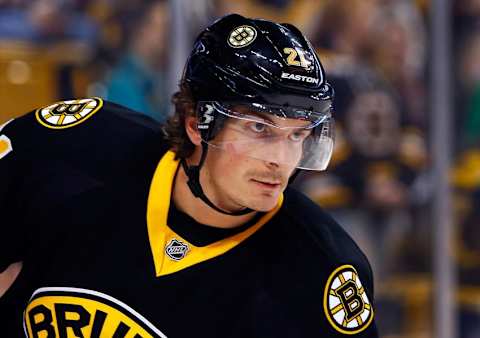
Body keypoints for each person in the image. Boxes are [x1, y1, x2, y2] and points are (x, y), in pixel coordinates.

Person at [0, 14, 378, 337]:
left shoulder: (319, 274)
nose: (282, 159)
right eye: (260, 129)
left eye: (298, 134)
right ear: (197, 124)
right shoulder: (75, 150)